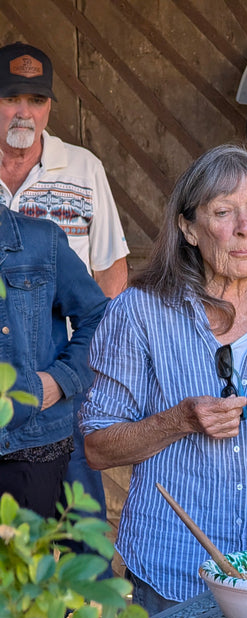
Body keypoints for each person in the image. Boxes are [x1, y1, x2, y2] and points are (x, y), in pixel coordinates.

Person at [80, 144, 247, 614]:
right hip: (174, 567)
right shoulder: (140, 312)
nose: (244, 228)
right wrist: (179, 420)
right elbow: (98, 448)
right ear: (189, 228)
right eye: (223, 212)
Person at [0, 41, 129, 521]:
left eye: (37, 100)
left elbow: (111, 280)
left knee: (83, 532)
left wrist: (76, 377)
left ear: (50, 107)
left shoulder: (83, 168)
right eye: (11, 98)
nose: (24, 112)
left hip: (66, 389)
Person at [0, 191, 108, 518]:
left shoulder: (41, 241)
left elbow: (99, 317)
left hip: (29, 444)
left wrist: (60, 380)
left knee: (24, 551)